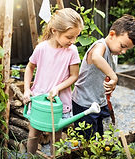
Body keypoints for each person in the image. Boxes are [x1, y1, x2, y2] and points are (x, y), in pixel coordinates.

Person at [23, 8, 83, 157]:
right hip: (38, 99)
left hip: (59, 102)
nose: (73, 41)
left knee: (56, 137)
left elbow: (74, 76)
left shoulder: (72, 51)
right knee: (33, 134)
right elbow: (29, 68)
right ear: (55, 31)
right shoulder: (41, 48)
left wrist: (58, 87)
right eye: (69, 37)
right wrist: (26, 89)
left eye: (76, 36)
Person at [72, 14, 135, 139]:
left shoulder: (114, 52)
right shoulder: (100, 46)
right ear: (112, 34)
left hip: (100, 102)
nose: (124, 52)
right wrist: (114, 77)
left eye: (127, 49)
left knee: (102, 137)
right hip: (85, 104)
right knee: (86, 143)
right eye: (123, 46)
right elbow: (96, 57)